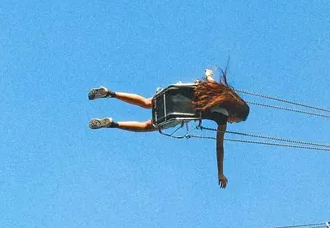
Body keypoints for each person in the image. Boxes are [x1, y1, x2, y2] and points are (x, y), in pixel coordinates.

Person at [88, 68, 250, 188]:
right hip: (177, 112)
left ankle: (110, 93)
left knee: (146, 102)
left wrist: (209, 73)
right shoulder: (222, 118)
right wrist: (220, 172)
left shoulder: (217, 92)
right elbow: (219, 148)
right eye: (236, 120)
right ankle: (112, 124)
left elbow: (209, 78)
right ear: (234, 113)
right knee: (146, 126)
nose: (232, 122)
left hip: (174, 93)